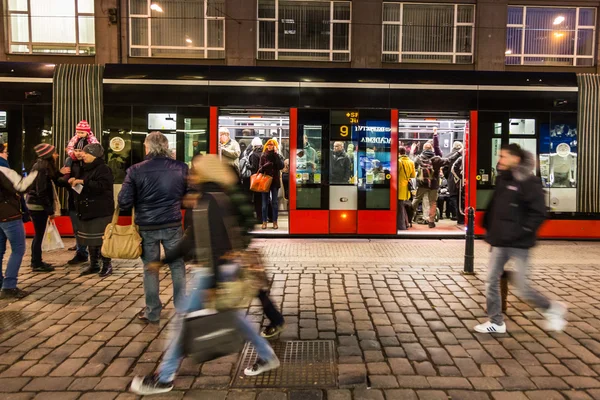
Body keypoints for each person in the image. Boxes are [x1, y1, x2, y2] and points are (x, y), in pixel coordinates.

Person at [130, 155, 280, 396]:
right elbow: (192, 238)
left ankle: (164, 377)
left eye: (195, 172)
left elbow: (213, 245)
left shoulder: (209, 201)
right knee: (234, 318)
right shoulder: (214, 197)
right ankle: (266, 355)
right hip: (218, 271)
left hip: (211, 272)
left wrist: (214, 283)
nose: (191, 176)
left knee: (183, 324)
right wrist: (163, 261)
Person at [474, 143, 567, 334]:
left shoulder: (528, 181)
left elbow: (539, 212)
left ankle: (551, 308)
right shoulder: (503, 179)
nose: (500, 160)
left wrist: (523, 230)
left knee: (523, 288)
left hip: (519, 242)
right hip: (500, 240)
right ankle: (496, 322)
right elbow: (496, 205)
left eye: (504, 157)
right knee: (491, 280)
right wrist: (489, 226)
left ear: (515, 159)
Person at [118, 132, 188, 324]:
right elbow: (190, 196)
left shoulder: (135, 170)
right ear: (166, 146)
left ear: (147, 147)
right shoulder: (181, 168)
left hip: (147, 226)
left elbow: (124, 201)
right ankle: (182, 309)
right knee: (177, 265)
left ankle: (153, 312)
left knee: (150, 268)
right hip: (172, 223)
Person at [68, 144, 114, 277]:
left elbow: (103, 186)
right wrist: (73, 181)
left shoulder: (103, 169)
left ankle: (106, 264)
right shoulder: (84, 168)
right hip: (87, 209)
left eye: (86, 153)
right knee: (90, 239)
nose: (83, 155)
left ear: (94, 155)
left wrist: (82, 182)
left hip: (100, 210)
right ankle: (93, 264)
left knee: (102, 239)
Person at [0, 143, 38, 298]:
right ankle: (9, 286)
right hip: (8, 215)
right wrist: (35, 173)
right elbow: (21, 186)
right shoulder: (3, 169)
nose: (7, 155)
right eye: (5, 152)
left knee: (0, 250)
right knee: (18, 249)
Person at [412, 137, 461, 228]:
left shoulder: (418, 159)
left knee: (416, 199)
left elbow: (413, 167)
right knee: (433, 202)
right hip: (433, 184)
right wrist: (458, 153)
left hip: (422, 183)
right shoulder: (436, 159)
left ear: (423, 149)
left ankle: (409, 217)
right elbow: (449, 160)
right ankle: (431, 222)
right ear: (432, 149)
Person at [26, 143, 60, 272]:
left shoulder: (43, 166)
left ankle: (37, 261)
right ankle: (36, 263)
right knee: (39, 234)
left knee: (39, 234)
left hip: (37, 204)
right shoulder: (42, 167)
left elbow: (55, 178)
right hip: (37, 205)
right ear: (49, 155)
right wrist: (49, 210)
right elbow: (41, 191)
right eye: (55, 153)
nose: (56, 155)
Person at [58, 138, 89, 265]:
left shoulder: (91, 163)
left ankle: (96, 254)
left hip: (88, 200)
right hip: (74, 200)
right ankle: (81, 252)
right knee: (77, 228)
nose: (77, 153)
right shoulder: (70, 161)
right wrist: (66, 179)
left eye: (80, 150)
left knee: (89, 229)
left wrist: (81, 181)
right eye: (75, 150)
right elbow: (62, 180)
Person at [259, 139, 284, 230]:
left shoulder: (278, 155)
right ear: (266, 146)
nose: (270, 146)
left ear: (275, 146)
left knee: (274, 203)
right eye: (268, 145)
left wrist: (276, 155)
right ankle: (264, 221)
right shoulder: (263, 155)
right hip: (265, 181)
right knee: (264, 203)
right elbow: (260, 169)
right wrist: (267, 165)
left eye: (272, 145)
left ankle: (275, 222)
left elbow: (281, 166)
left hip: (275, 181)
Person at [397, 147, 415, 230]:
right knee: (402, 205)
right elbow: (413, 175)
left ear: (399, 153)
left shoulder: (399, 161)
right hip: (406, 188)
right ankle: (406, 223)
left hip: (399, 187)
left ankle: (402, 225)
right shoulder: (411, 162)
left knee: (400, 207)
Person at [247, 137, 264, 223]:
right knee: (264, 199)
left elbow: (254, 167)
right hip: (264, 178)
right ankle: (267, 217)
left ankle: (259, 218)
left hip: (257, 179)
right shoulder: (264, 153)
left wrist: (247, 166)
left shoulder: (254, 154)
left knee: (257, 200)